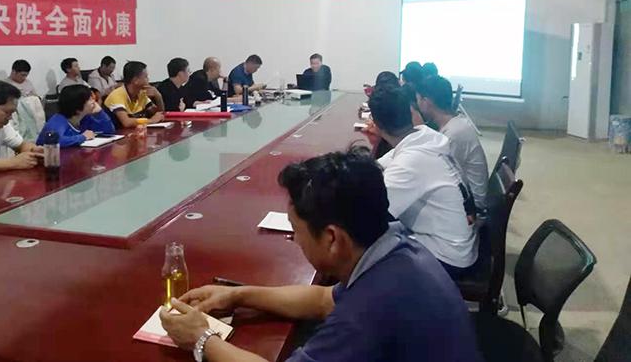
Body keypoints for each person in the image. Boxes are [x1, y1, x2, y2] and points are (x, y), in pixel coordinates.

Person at [159, 149, 483, 362]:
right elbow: (322, 300)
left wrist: (202, 338)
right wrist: (237, 295)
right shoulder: (396, 248)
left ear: (331, 238)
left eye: (295, 230)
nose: (295, 240)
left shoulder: (367, 309)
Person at [368, 84, 478, 279]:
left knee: (366, 245)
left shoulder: (410, 161)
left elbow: (372, 212)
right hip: (458, 242)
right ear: (410, 112)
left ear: (376, 125)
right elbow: (375, 167)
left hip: (448, 257)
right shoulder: (424, 136)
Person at [416, 75, 489, 210]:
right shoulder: (456, 123)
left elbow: (437, 175)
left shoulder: (453, 135)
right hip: (466, 195)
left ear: (426, 102)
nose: (418, 106)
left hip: (471, 206)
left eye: (418, 100)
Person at [36, 85, 115, 148]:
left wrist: (100, 113)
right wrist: (82, 137)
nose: (94, 101)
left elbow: (109, 132)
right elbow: (54, 141)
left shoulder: (85, 117)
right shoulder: (58, 120)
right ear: (77, 107)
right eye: (89, 99)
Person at [104, 61, 164, 128]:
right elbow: (126, 122)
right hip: (115, 133)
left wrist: (158, 96)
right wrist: (151, 121)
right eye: (146, 77)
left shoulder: (141, 93)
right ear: (135, 80)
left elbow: (159, 114)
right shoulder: (117, 95)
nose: (148, 80)